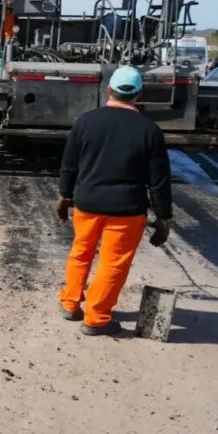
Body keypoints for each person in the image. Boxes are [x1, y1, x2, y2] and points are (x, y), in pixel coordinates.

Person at [57, 66, 173, 336]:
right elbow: (158, 180)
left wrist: (65, 195)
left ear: (109, 90)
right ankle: (96, 318)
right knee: (113, 263)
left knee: (81, 252)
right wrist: (163, 217)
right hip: (126, 210)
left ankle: (70, 303)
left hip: (87, 204)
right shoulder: (149, 130)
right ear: (139, 94)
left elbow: (69, 165)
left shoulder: (86, 121)